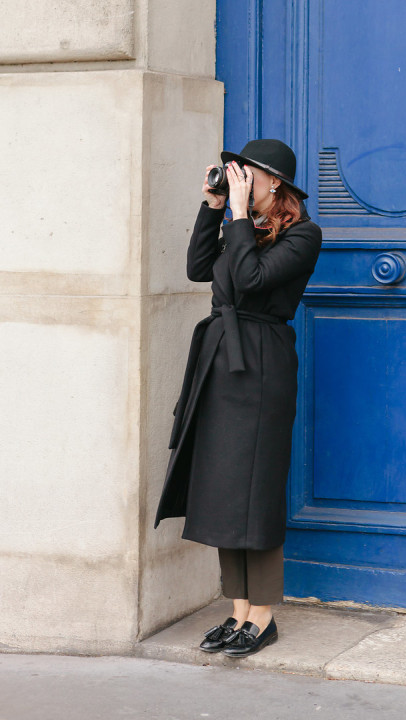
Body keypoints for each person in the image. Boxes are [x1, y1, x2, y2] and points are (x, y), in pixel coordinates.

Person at [154, 139, 322, 657]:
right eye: (237, 173)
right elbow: (199, 268)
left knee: (257, 488)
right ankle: (238, 612)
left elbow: (249, 280)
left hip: (263, 365)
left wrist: (240, 216)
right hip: (221, 364)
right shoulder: (239, 227)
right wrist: (213, 210)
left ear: (277, 184)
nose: (240, 180)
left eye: (249, 174)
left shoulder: (304, 236)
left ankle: (264, 616)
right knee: (226, 488)